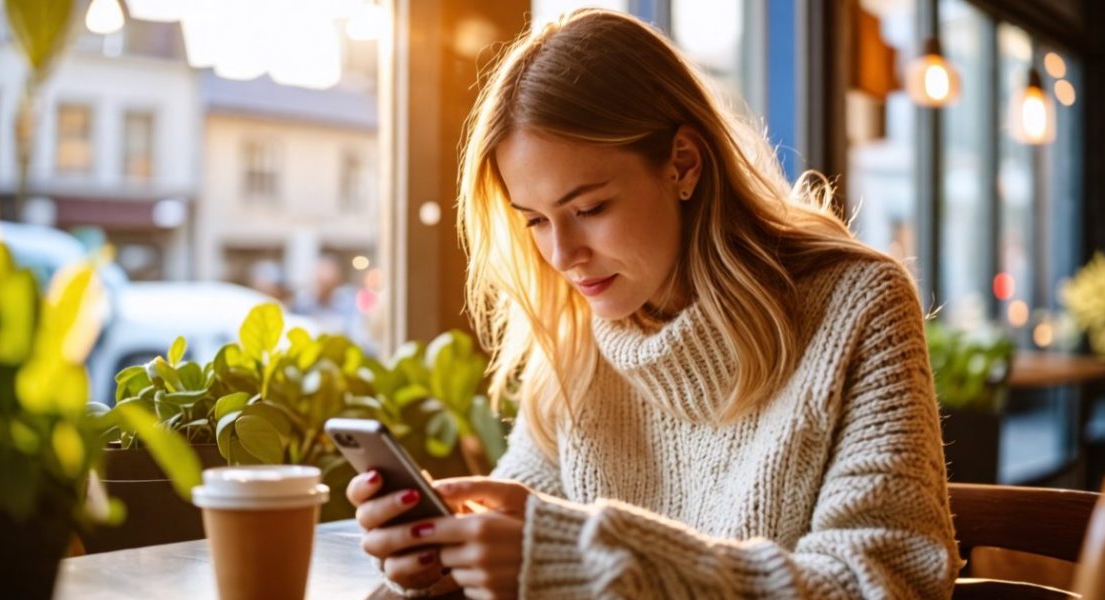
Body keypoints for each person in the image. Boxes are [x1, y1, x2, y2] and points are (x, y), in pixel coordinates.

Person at [347, 9, 959, 599]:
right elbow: (526, 535)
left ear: (683, 164)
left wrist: (584, 565)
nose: (562, 256)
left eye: (589, 209)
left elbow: (881, 582)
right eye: (535, 220)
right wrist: (443, 552)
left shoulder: (858, 307)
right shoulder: (579, 335)